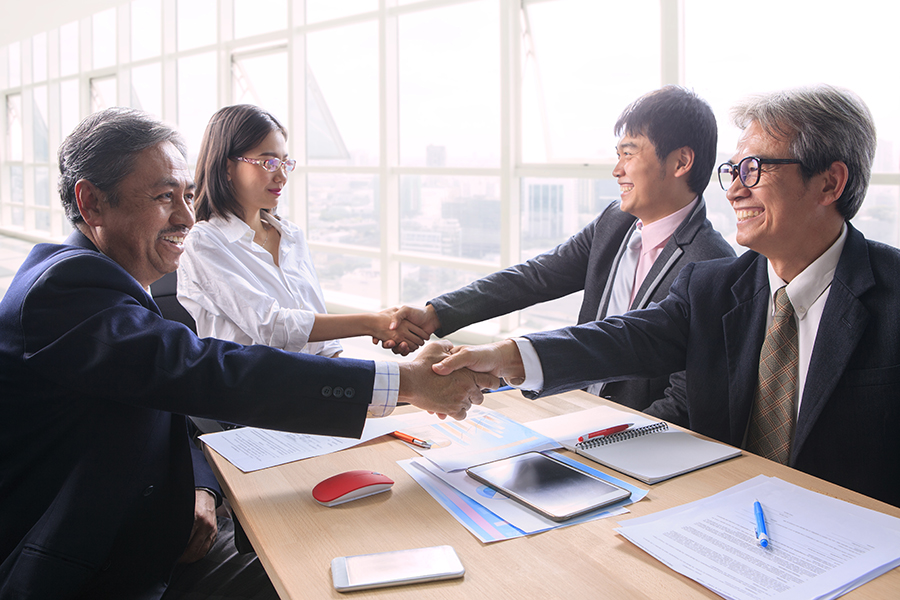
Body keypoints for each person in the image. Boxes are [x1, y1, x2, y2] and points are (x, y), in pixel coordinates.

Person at [0, 107, 496, 599]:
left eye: (187, 196)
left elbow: (164, 401)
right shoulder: (62, 290)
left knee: (342, 556)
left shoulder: (117, 288)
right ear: (92, 204)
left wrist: (200, 488)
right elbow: (203, 371)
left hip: (157, 539)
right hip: (83, 574)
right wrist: (404, 382)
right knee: (321, 569)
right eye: (163, 197)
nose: (187, 217)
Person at [432, 84, 900, 509]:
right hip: (717, 513)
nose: (735, 189)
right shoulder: (714, 287)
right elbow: (624, 338)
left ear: (829, 183)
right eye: (734, 170)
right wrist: (503, 357)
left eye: (755, 169)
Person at [384, 86, 734, 410]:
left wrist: (605, 442)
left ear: (680, 162)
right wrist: (436, 314)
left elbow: (686, 399)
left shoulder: (712, 265)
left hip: (631, 441)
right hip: (571, 409)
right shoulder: (615, 222)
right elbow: (537, 277)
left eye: (629, 154)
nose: (617, 170)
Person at [177, 104, 426, 357]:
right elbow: (271, 327)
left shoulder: (291, 236)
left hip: (312, 385)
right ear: (228, 167)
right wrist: (373, 323)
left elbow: (323, 344)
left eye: (285, 162)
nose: (282, 176)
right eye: (269, 162)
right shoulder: (202, 243)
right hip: (254, 390)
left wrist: (354, 381)